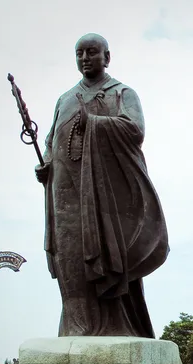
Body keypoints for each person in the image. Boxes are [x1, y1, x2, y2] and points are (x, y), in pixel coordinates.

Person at [35, 33, 169, 338]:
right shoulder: (65, 99)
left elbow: (134, 130)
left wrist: (93, 121)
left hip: (105, 197)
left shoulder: (122, 93)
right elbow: (50, 139)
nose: (85, 58)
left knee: (106, 257)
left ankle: (114, 326)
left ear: (106, 57)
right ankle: (75, 325)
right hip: (65, 194)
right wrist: (46, 163)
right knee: (69, 254)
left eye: (91, 52)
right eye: (79, 53)